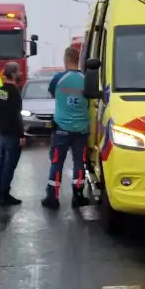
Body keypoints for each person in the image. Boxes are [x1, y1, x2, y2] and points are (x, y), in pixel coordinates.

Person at [41, 46, 91, 209]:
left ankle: (52, 198)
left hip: (62, 128)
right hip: (82, 129)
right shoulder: (86, 79)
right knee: (79, 161)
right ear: (78, 60)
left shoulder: (58, 78)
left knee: (57, 162)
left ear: (66, 59)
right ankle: (78, 196)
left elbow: (52, 94)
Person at [0, 62, 25, 205]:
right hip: (13, 133)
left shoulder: (2, 90)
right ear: (14, 74)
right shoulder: (15, 92)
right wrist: (21, 135)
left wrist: (0, 115)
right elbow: (17, 115)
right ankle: (4, 194)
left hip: (3, 131)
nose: (20, 73)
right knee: (10, 165)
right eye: (19, 71)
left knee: (2, 163)